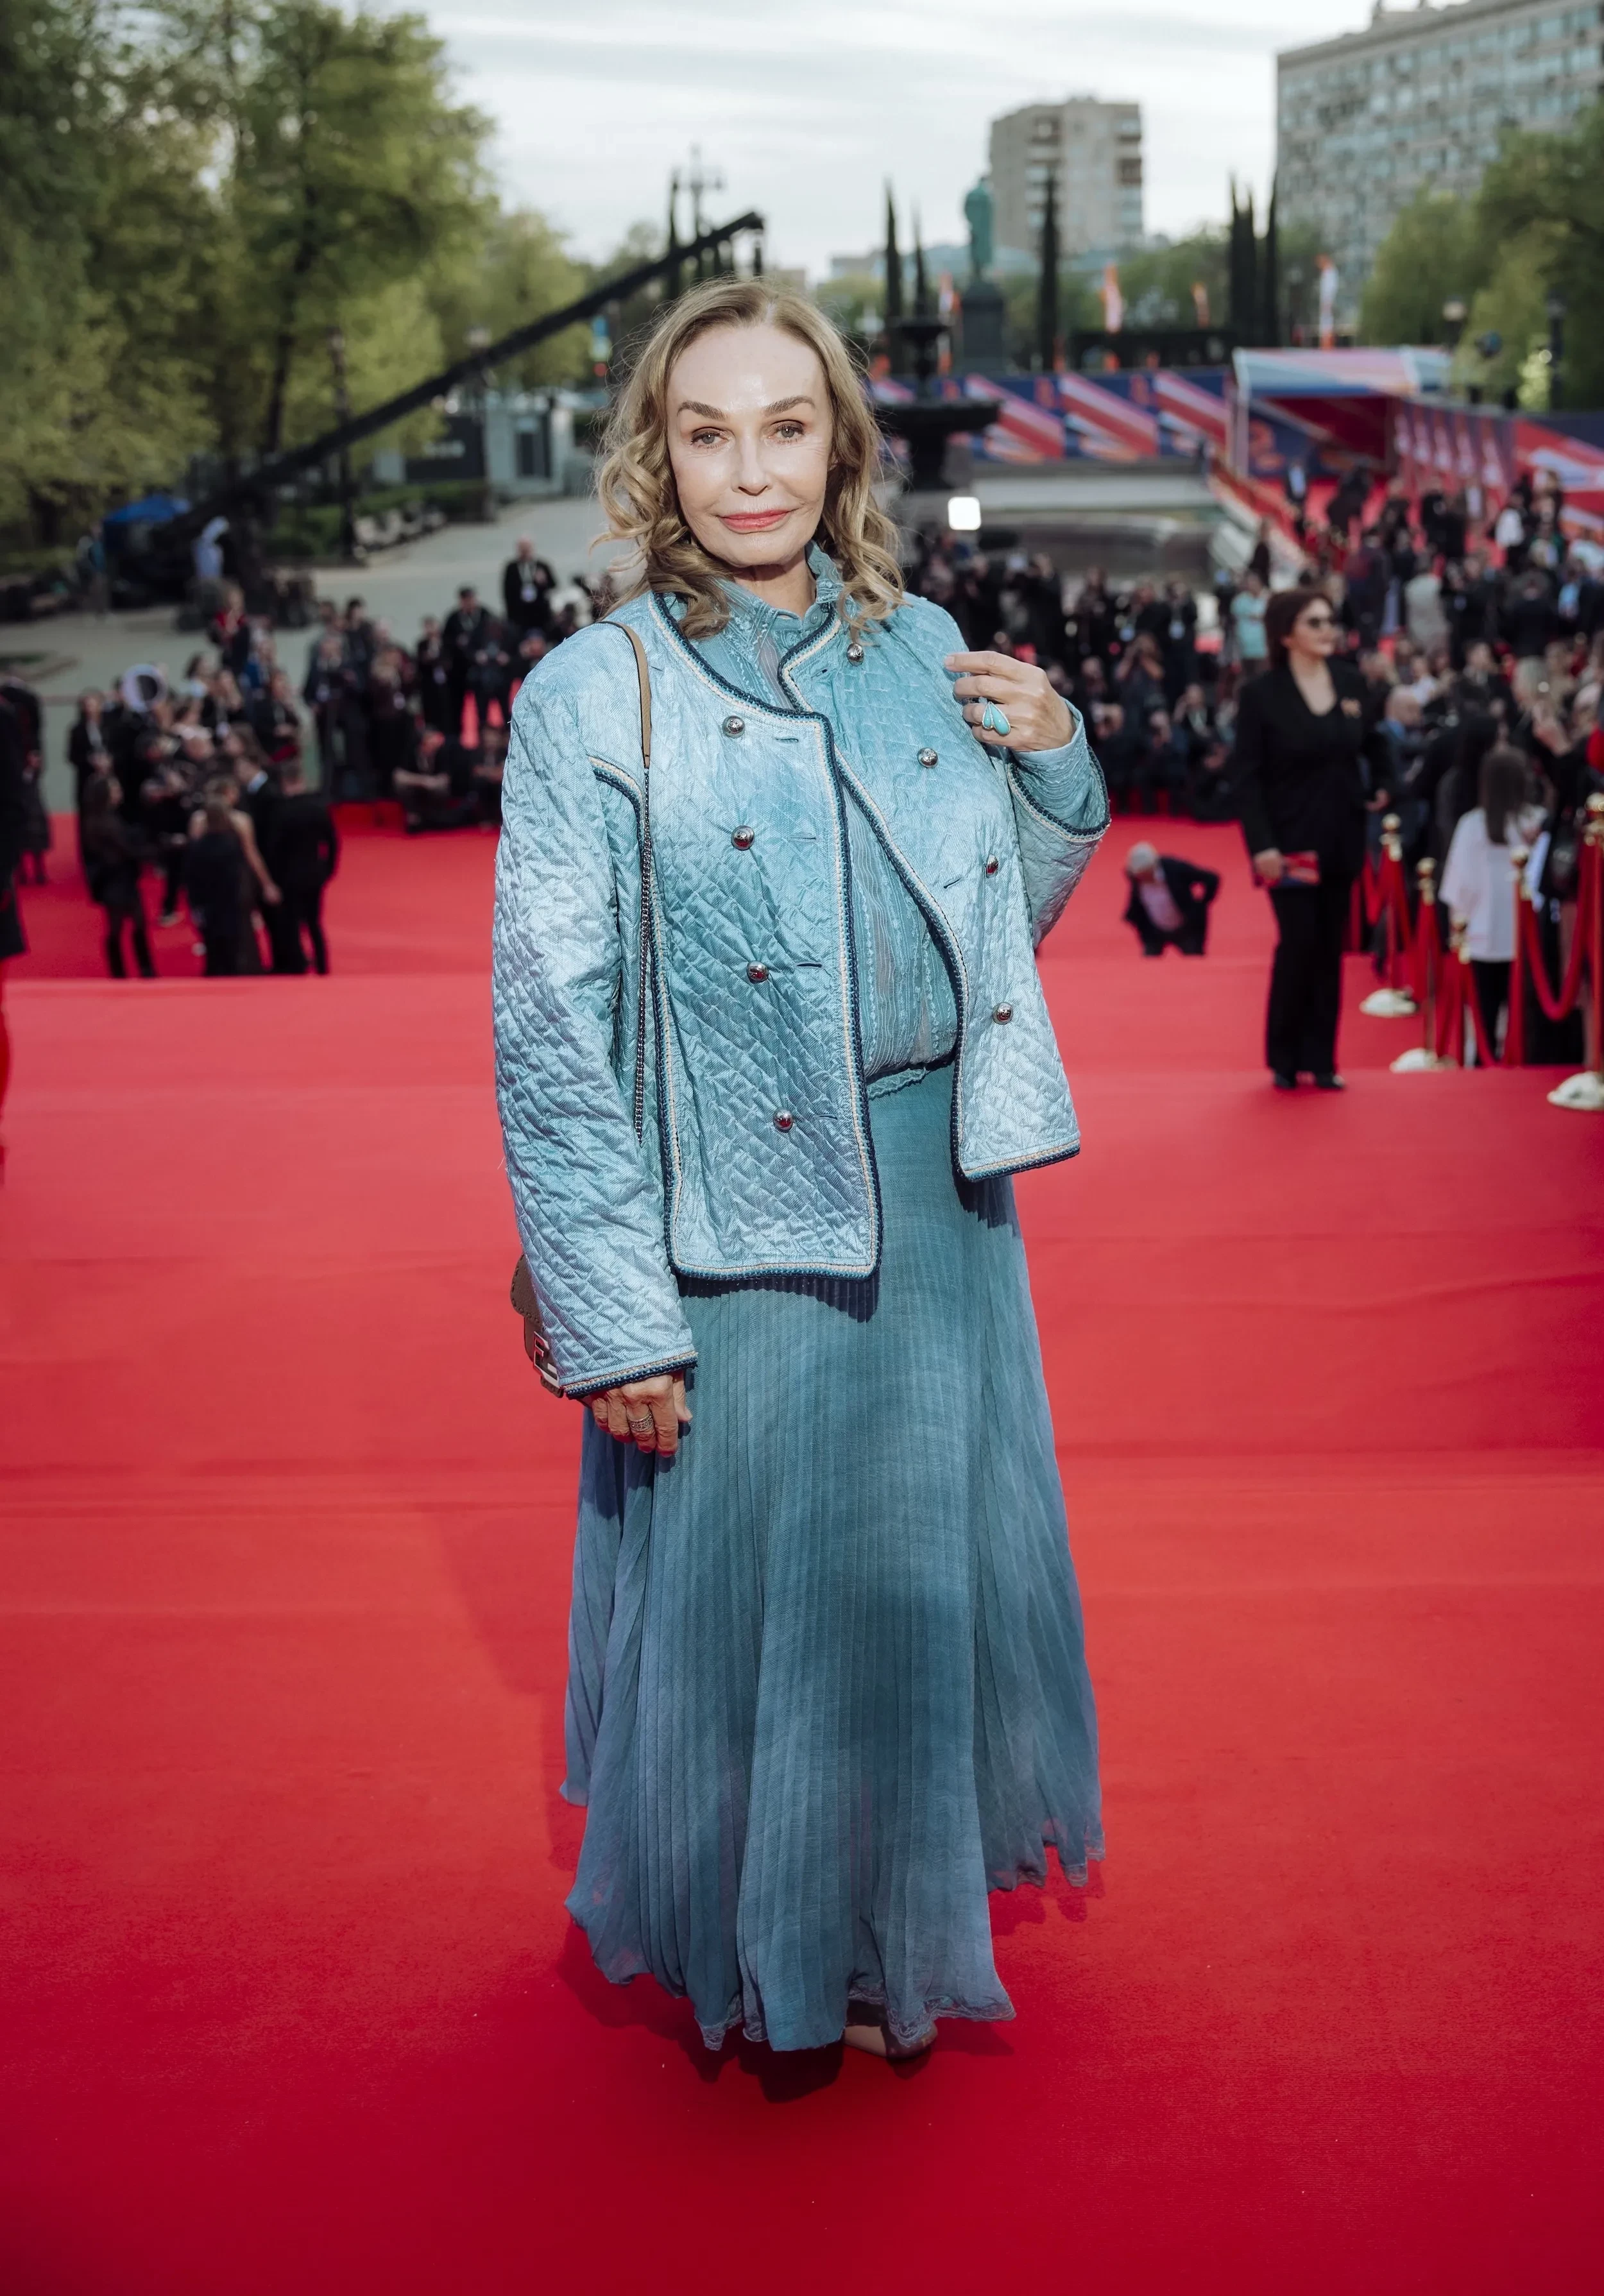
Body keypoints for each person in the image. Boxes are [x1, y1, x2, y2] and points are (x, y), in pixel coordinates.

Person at [493, 276, 1107, 2064]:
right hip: (730, 1223)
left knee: (905, 1583)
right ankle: (761, 1950)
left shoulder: (921, 646)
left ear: (841, 444)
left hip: (936, 1207)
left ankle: (882, 1926)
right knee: (749, 1601)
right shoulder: (587, 695)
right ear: (657, 453)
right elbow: (551, 1026)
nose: (749, 470)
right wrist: (612, 1317)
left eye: (784, 426)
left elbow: (974, 937)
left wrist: (1056, 774)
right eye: (708, 432)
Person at [1231, 586, 1377, 1090]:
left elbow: (1375, 743)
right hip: (1289, 842)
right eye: (1315, 622)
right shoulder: (1260, 694)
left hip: (1343, 837)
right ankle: (1285, 1056)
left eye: (1329, 621)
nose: (1327, 630)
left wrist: (1384, 787)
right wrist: (1262, 846)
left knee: (1330, 946)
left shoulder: (1351, 682)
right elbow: (1246, 777)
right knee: (1299, 941)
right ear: (1286, 633)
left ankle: (1323, 1059)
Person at [1440, 744, 1545, 1054]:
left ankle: (1483, 1059)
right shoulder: (1537, 822)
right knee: (1523, 1017)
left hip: (1481, 935)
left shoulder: (1472, 825)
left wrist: (1457, 927)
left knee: (1483, 1015)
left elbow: (1459, 886)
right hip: (1525, 937)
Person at [80, 776, 157, 979]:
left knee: (128, 926)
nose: (119, 793)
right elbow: (127, 850)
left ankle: (126, 971)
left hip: (117, 880)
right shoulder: (105, 823)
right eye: (115, 790)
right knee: (124, 926)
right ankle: (138, 970)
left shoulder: (104, 818)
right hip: (116, 880)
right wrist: (158, 851)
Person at [271, 761, 339, 974]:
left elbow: (276, 848)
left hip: (289, 876)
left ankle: (297, 965)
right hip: (314, 873)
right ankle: (323, 965)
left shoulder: (282, 812)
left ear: (285, 783)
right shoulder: (318, 808)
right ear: (301, 781)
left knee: (292, 922)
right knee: (314, 922)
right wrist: (329, 868)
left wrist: (274, 877)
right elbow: (333, 841)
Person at [1122, 841, 1220, 955]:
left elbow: (1211, 878)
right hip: (1154, 931)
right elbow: (1136, 902)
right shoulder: (1136, 878)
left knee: (1195, 960)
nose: (1142, 878)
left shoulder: (1174, 869)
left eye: (1145, 873)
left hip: (1185, 929)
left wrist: (1202, 904)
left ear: (1153, 866)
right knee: (1148, 962)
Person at [502, 538, 556, 637]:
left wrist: (544, 582)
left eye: (527, 549)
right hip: (519, 614)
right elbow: (507, 593)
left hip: (540, 614)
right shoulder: (511, 568)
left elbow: (554, 586)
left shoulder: (542, 566)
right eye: (522, 549)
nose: (525, 552)